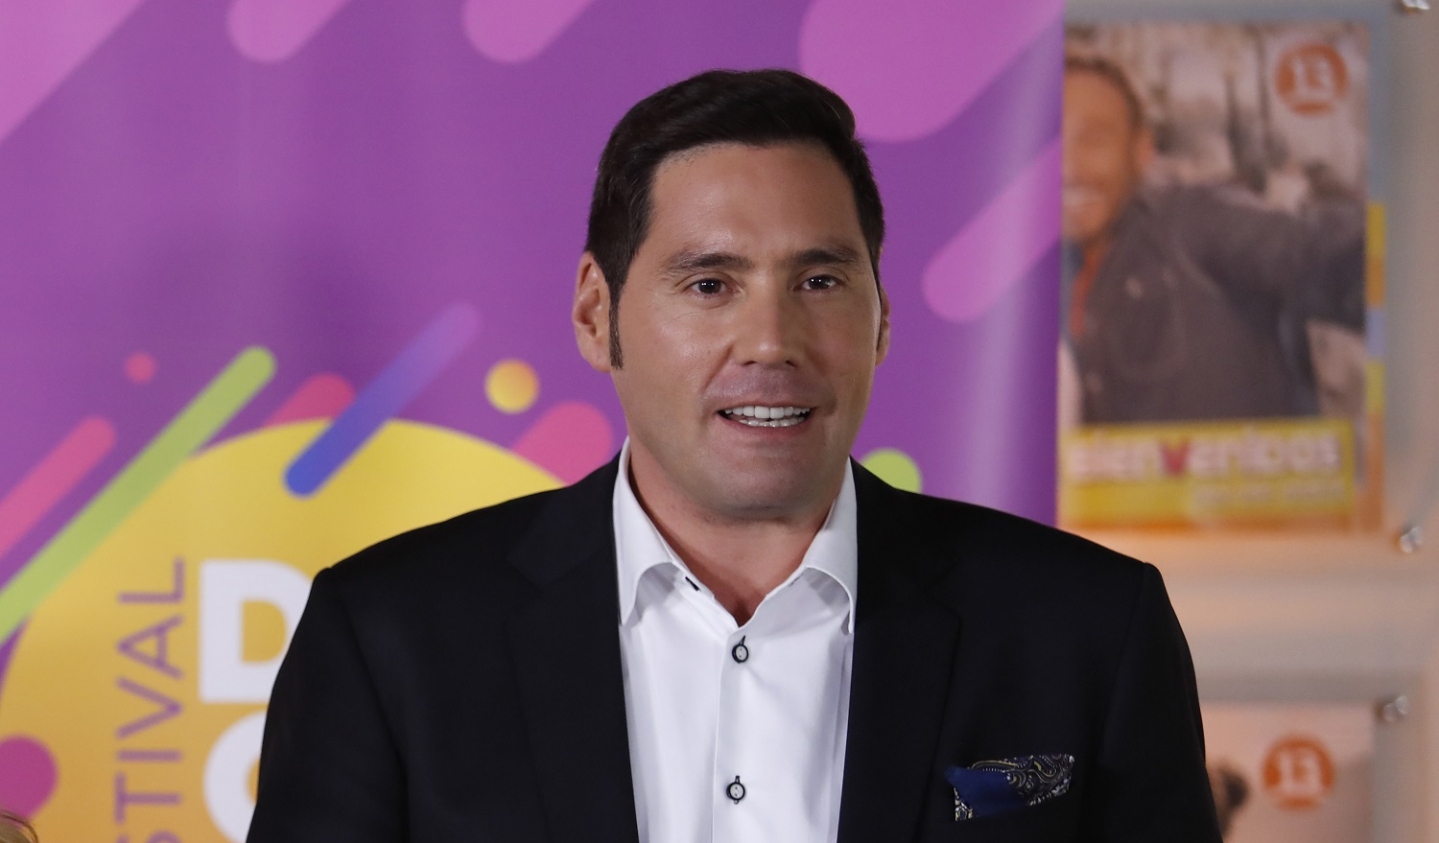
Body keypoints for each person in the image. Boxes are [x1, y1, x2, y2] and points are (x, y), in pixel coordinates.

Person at [249, 69, 1221, 842]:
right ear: (594, 313)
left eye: (819, 280)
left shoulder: (1089, 629)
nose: (770, 340)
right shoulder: (391, 639)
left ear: (881, 317)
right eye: (709, 284)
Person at [1061, 54, 1365, 426]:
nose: (1067, 168)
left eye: (1094, 139)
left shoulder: (1192, 221)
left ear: (1141, 152)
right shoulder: (1044, 274)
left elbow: (1322, 253)